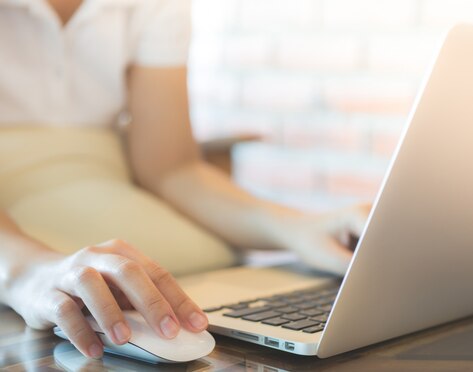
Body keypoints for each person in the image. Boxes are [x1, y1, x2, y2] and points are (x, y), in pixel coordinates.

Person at [0, 0, 367, 359]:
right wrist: (23, 273)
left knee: (218, 266)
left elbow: (172, 168)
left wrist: (299, 228)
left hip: (107, 195)